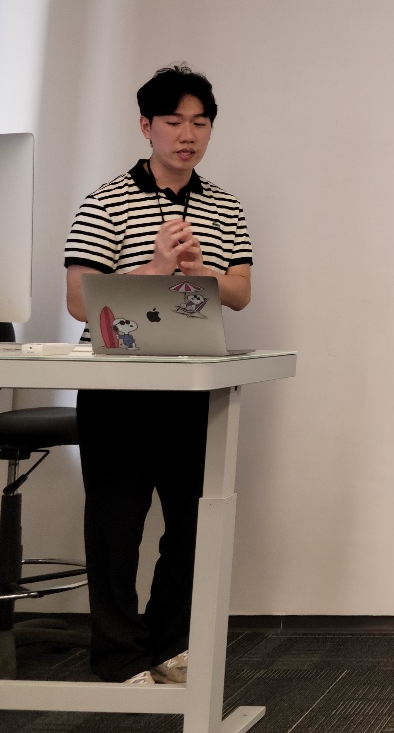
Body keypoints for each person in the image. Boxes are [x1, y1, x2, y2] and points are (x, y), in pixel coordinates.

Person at [64, 64, 252, 685]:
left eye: (200, 122)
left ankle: (172, 645)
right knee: (116, 525)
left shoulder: (224, 205)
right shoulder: (106, 201)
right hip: (118, 386)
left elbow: (240, 292)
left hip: (194, 382)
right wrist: (153, 267)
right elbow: (78, 300)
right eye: (173, 121)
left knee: (194, 521)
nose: (187, 134)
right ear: (146, 126)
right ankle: (120, 658)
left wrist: (201, 273)